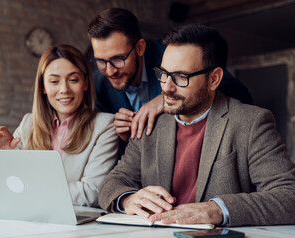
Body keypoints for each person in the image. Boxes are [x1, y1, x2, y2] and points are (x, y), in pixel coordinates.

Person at [98, 25, 295, 227]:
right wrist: (128, 199)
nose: (166, 87)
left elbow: (290, 196)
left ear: (214, 79)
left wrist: (217, 209)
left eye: (181, 77)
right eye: (163, 73)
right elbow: (111, 184)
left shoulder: (252, 123)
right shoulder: (151, 124)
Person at [87, 8, 253, 145]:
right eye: (100, 61)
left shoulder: (172, 54)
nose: (109, 71)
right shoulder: (98, 83)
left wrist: (165, 97)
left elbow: (238, 92)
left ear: (140, 48)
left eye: (118, 59)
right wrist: (119, 136)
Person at [0, 44, 119, 207]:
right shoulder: (28, 123)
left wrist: (30, 188)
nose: (64, 89)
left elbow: (92, 192)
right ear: (43, 86)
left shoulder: (105, 125)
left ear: (85, 83)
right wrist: (3, 155)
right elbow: (8, 181)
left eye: (73, 80)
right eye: (54, 81)